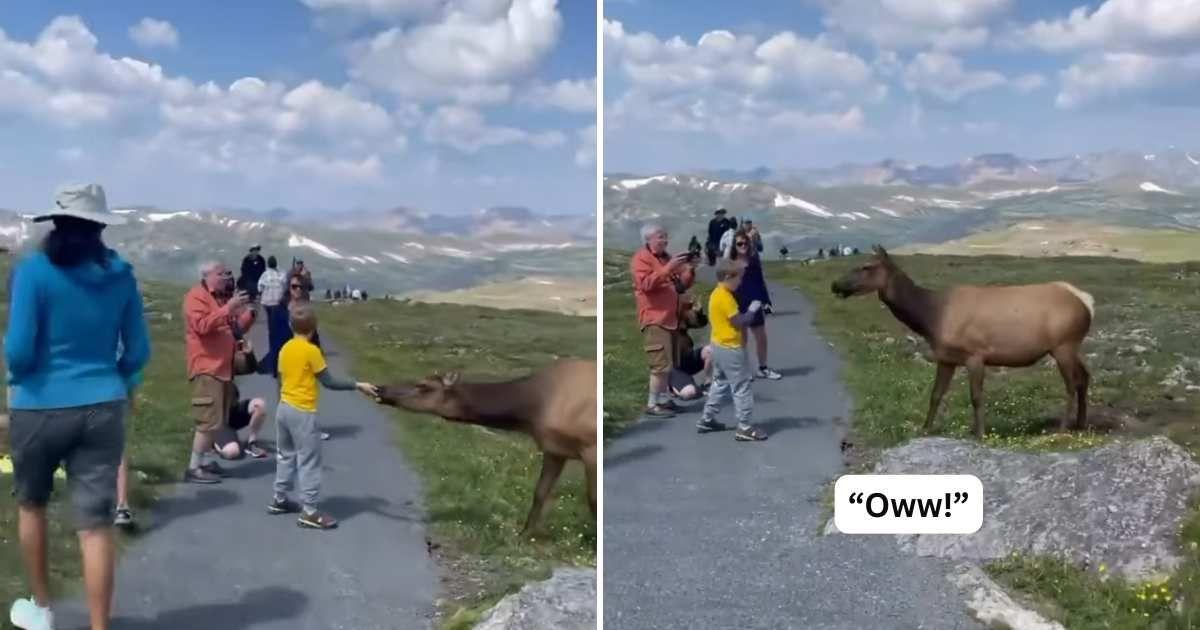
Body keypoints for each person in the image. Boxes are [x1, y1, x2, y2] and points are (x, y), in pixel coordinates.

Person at [6, 183, 151, 630]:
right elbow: (138, 349)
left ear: (55, 221)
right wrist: (121, 379)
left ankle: (42, 608)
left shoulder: (34, 271)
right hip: (102, 404)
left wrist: (25, 378)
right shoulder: (120, 274)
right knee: (95, 525)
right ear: (100, 226)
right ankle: (98, 626)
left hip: (38, 404)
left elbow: (18, 350)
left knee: (32, 504)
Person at [270, 303, 377, 529]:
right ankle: (309, 511)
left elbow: (280, 381)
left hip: (283, 408)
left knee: (285, 455)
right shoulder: (312, 351)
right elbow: (329, 382)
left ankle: (279, 499)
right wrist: (357, 385)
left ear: (291, 325)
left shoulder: (285, 348)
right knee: (308, 461)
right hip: (303, 412)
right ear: (314, 328)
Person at [183, 261, 254, 484]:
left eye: (228, 273)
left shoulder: (221, 298)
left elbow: (232, 330)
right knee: (207, 421)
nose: (227, 277)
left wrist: (249, 313)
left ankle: (203, 463)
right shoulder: (196, 297)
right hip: (206, 368)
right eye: (222, 274)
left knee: (216, 422)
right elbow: (202, 326)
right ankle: (194, 467)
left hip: (223, 369)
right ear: (208, 276)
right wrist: (227, 308)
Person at [697, 258, 767, 441]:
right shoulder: (726, 298)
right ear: (728, 277)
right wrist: (753, 310)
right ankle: (744, 427)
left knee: (719, 382)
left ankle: (707, 418)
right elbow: (739, 322)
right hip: (731, 348)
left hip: (717, 345)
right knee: (741, 385)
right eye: (738, 278)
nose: (740, 282)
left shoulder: (716, 294)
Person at [630, 224, 695, 418]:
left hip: (671, 318)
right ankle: (652, 403)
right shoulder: (640, 259)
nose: (665, 241)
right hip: (654, 318)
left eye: (666, 237)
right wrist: (668, 268)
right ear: (648, 239)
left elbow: (681, 285)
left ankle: (665, 401)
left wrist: (689, 269)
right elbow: (646, 284)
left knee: (668, 363)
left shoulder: (666, 258)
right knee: (659, 364)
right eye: (660, 237)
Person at [729, 229, 782, 379]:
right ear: (734, 245)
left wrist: (766, 301)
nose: (743, 246)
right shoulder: (730, 262)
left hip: (755, 301)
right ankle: (744, 370)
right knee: (742, 339)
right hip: (738, 303)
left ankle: (763, 368)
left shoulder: (753, 259)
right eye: (739, 243)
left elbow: (760, 281)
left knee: (761, 336)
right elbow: (725, 286)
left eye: (746, 243)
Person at [213, 381, 268, 460]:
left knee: (259, 405)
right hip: (218, 421)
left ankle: (252, 443)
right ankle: (214, 444)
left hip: (231, 411)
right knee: (232, 451)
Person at [257, 256, 286, 376]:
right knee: (278, 327)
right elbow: (285, 286)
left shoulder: (264, 275)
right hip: (278, 303)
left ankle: (271, 335)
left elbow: (259, 287)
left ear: (268, 264)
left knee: (271, 327)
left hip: (267, 303)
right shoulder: (281, 274)